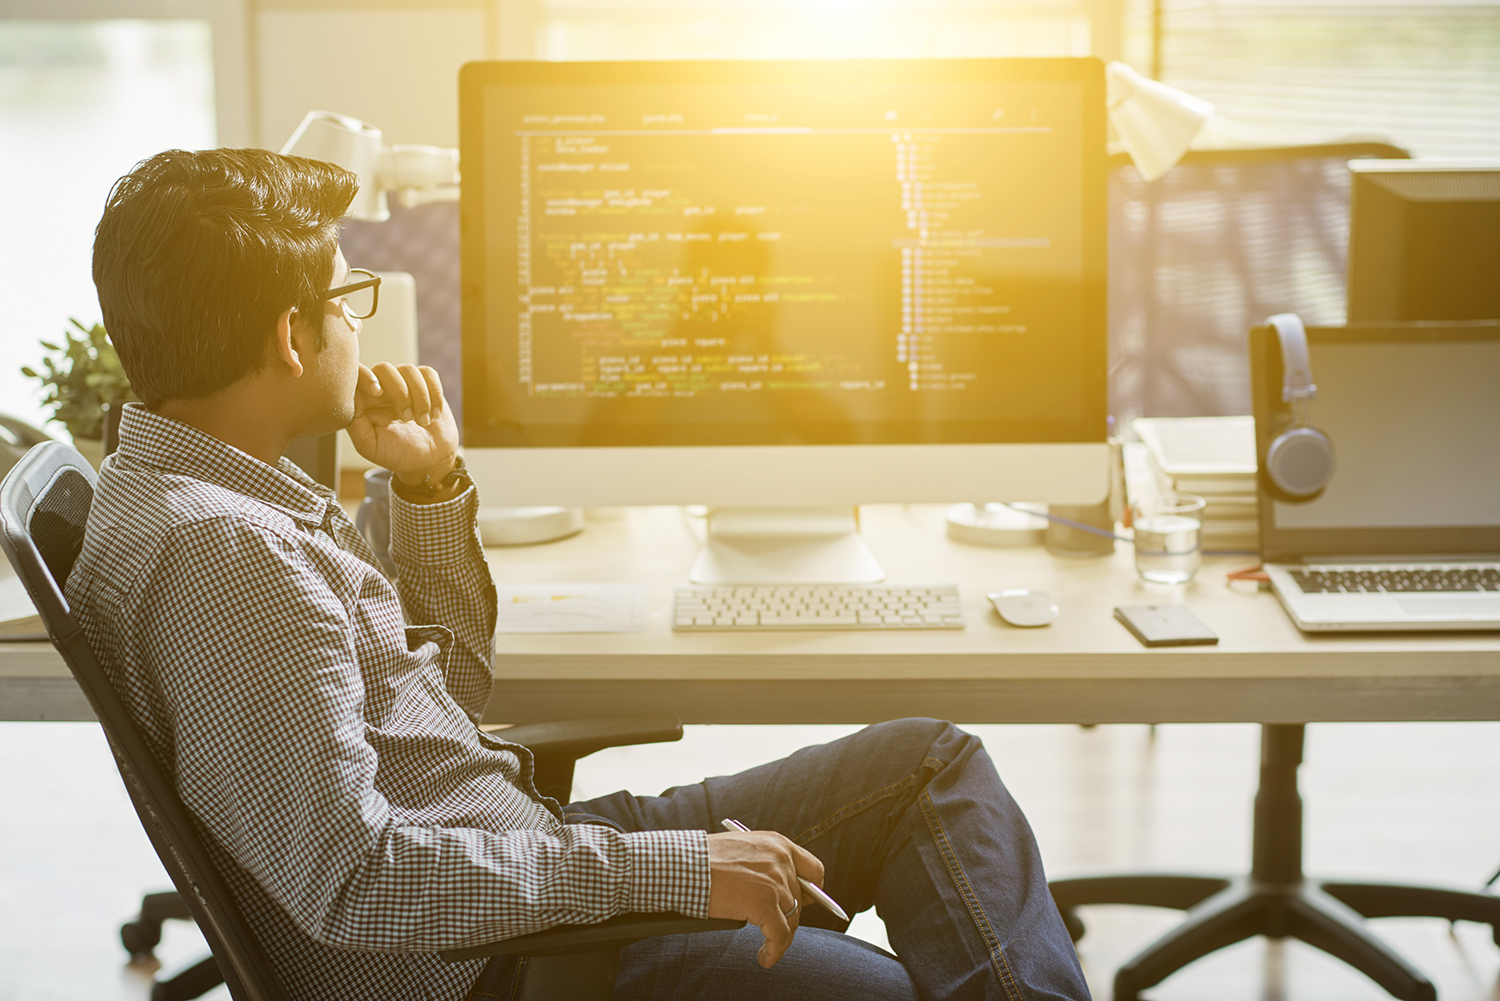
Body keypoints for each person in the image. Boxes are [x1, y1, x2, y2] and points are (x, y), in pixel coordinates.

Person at [72, 147, 1091, 1001]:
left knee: (928, 765)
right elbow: (354, 878)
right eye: (346, 296)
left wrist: (426, 485)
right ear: (292, 336)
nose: (357, 320)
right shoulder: (227, 557)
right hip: (507, 959)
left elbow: (442, 703)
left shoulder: (209, 493)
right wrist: (680, 872)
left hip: (513, 858)